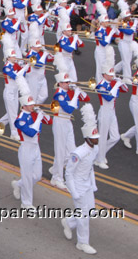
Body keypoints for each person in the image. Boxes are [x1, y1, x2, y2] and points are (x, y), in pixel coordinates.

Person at [61, 104, 100, 255]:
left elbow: (90, 168)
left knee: (90, 211)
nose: (97, 140)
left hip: (88, 185)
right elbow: (69, 173)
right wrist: (73, 191)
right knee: (84, 217)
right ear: (87, 138)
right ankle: (82, 243)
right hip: (78, 185)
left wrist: (93, 184)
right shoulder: (78, 153)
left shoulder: (94, 149)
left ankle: (69, 222)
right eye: (94, 138)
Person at [50, 71, 90, 189]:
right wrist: (75, 95)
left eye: (68, 81)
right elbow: (68, 109)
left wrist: (78, 90)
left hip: (67, 122)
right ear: (60, 83)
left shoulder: (70, 92)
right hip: (60, 121)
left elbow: (86, 98)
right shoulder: (59, 94)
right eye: (65, 82)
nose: (68, 84)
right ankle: (56, 178)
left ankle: (55, 168)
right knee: (60, 150)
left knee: (71, 150)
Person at [13, 93, 52, 208]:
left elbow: (49, 121)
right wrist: (38, 118)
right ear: (24, 106)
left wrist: (42, 113)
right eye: (30, 104)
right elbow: (30, 133)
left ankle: (18, 184)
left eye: (33, 104)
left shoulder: (34, 114)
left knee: (37, 176)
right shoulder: (20, 119)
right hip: (26, 148)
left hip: (36, 147)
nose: (33, 106)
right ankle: (26, 203)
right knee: (28, 177)